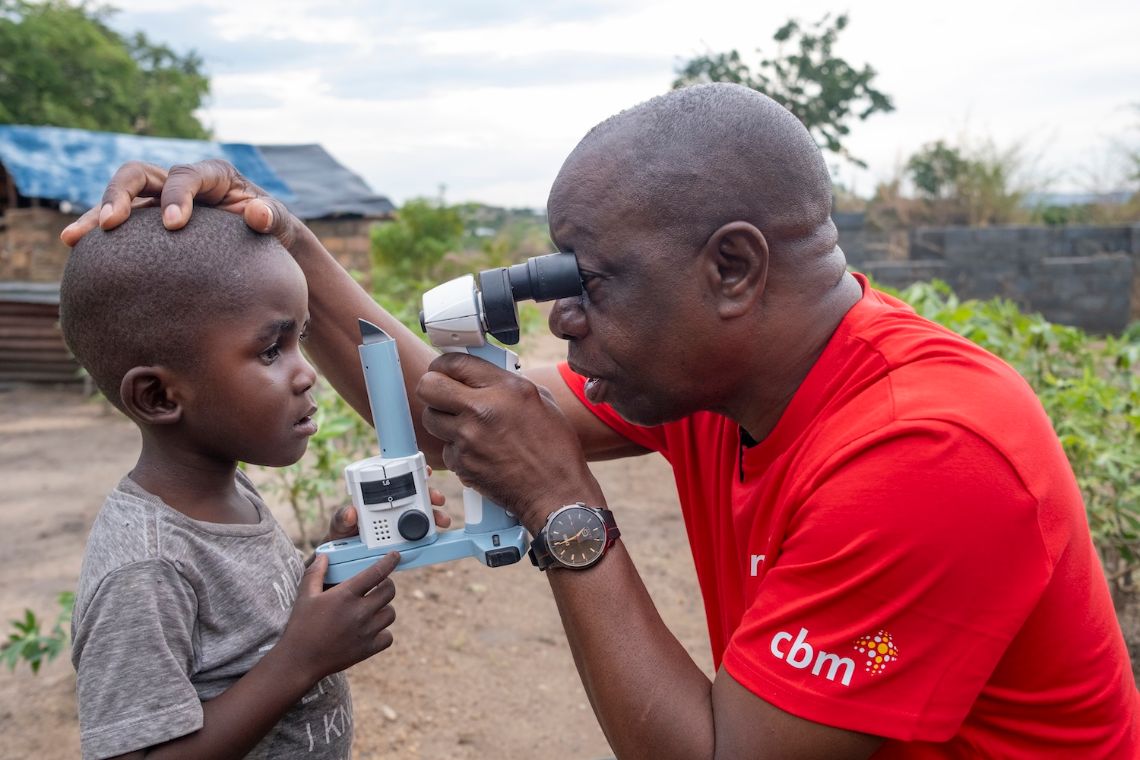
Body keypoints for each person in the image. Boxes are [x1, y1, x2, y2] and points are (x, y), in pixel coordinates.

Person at [65, 83, 1138, 758]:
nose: (562, 315)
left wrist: (566, 509)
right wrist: (291, 242)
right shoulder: (727, 375)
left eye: (594, 279)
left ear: (732, 267)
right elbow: (462, 422)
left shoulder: (928, 452)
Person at [60, 205, 448, 759]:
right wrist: (301, 660)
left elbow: (252, 626)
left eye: (301, 338)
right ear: (160, 397)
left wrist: (334, 560)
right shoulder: (145, 567)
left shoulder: (228, 490)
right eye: (271, 349)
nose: (306, 371)